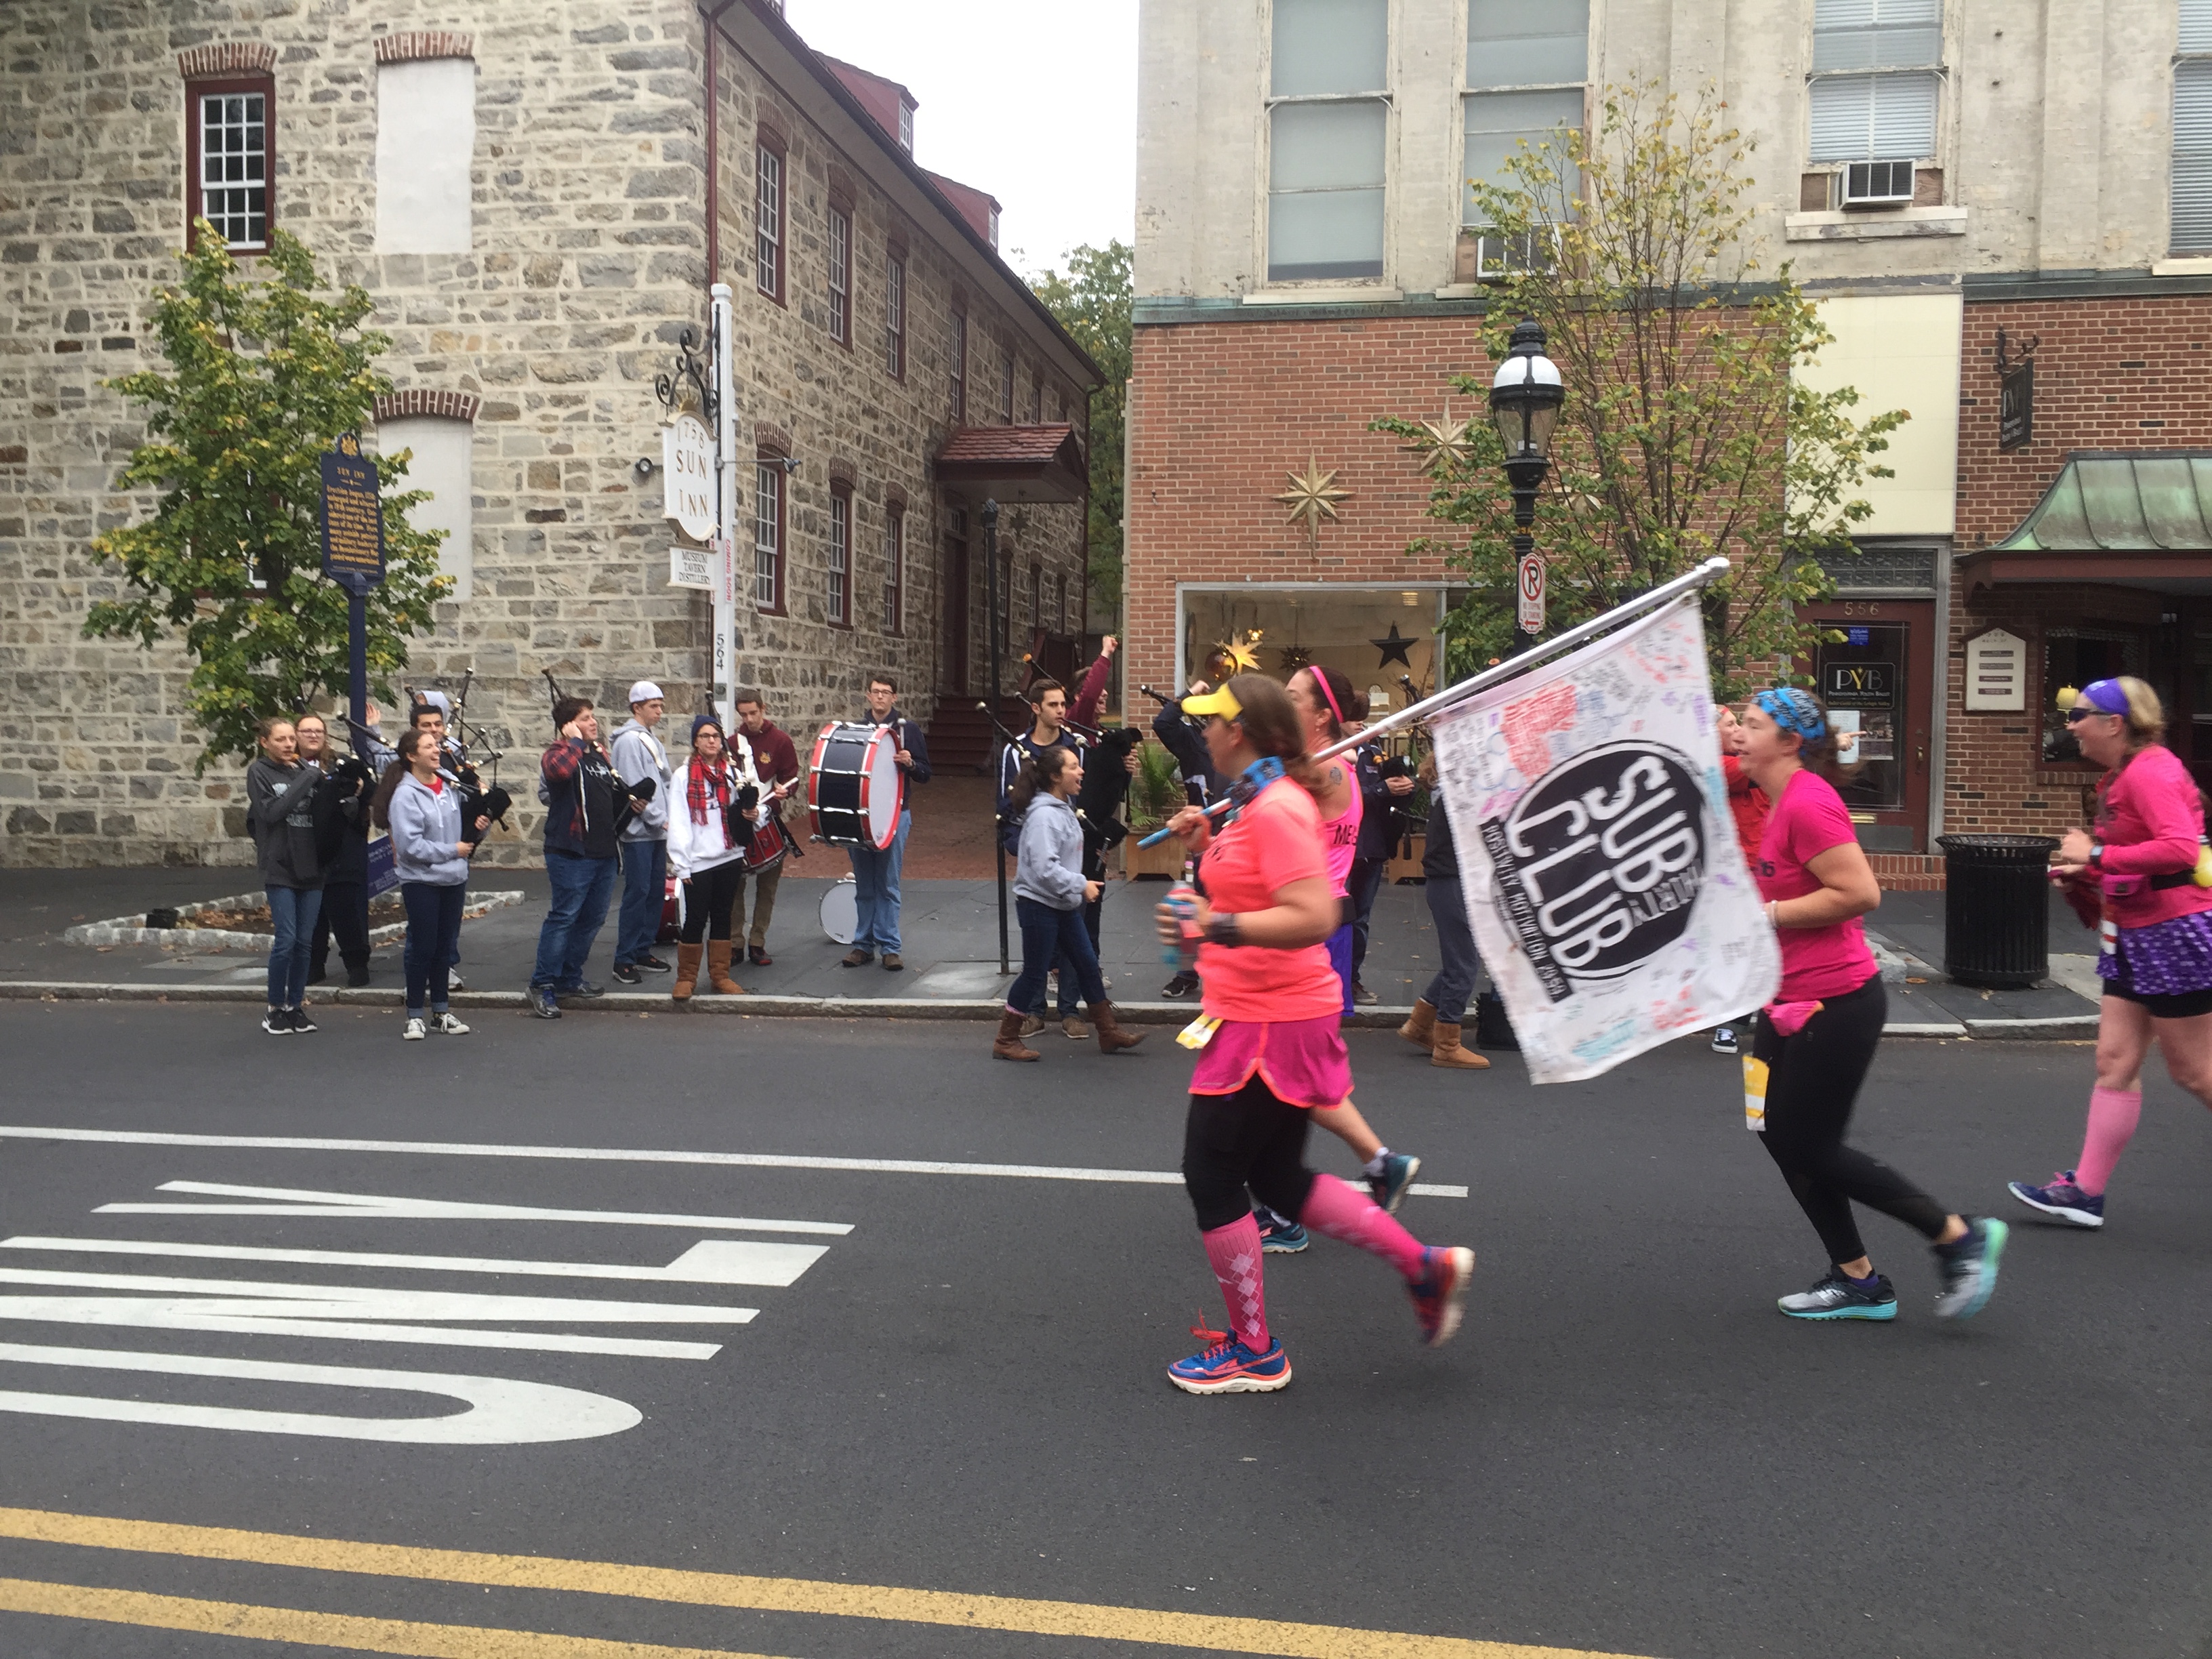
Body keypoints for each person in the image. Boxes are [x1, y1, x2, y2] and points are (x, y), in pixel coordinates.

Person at [1151, 674, 1475, 1394]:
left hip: (1268, 1021)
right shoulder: (1257, 800)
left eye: (1211, 721)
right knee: (1276, 1179)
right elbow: (1253, 887)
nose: (1202, 731)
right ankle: (1423, 1267)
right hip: (1264, 1011)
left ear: (1238, 732)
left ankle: (1254, 1350)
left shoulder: (1277, 808)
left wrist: (1214, 924)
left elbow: (1314, 914)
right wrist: (1205, 848)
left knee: (1212, 1175)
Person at [1740, 687, 2006, 1322]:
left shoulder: (1808, 802)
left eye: (1751, 725)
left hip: (1833, 1004)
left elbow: (1860, 893)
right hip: (1784, 1002)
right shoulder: (1777, 800)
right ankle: (1858, 1279)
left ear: (1789, 741)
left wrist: (1766, 915)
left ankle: (1957, 1237)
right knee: (1776, 1134)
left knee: (1811, 1146)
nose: (1739, 734)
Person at [2011, 676, 2212, 1230]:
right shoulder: (2127, 773)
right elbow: (2142, 858)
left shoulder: (2150, 771)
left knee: (2196, 1072)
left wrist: (2096, 854)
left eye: (2079, 715)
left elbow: (2179, 849)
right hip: (2135, 933)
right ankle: (2085, 1193)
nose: (2070, 725)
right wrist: (2088, 871)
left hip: (2172, 933)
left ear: (2115, 723)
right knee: (2115, 1062)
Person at [993, 745, 1146, 1061]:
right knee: (1035, 973)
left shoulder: (1063, 808)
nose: (1081, 771)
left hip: (1063, 904)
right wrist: (1080, 884)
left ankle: (1108, 1032)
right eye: (1073, 767)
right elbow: (1044, 868)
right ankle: (1005, 1040)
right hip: (1039, 905)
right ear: (1054, 776)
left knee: (1087, 965)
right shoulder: (1045, 816)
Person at [382, 726, 485, 1040]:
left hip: (454, 878)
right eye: (428, 746)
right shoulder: (405, 795)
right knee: (423, 947)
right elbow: (409, 848)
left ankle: (441, 1011)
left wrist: (480, 825)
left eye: (436, 745)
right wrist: (452, 851)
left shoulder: (450, 785)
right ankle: (415, 1014)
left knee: (444, 948)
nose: (436, 750)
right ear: (412, 756)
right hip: (421, 881)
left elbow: (466, 830)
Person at [527, 695, 625, 1019]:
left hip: (603, 851)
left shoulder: (598, 754)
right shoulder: (559, 753)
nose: (593, 722)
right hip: (571, 851)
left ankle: (570, 978)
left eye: (592, 716)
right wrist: (574, 742)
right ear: (568, 726)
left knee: (592, 918)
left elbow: (608, 793)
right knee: (564, 917)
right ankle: (542, 984)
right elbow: (558, 773)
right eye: (585, 718)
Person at [1396, 756, 1490, 1070]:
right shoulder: (1457, 795)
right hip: (1452, 882)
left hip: (1447, 882)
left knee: (1459, 960)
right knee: (1463, 964)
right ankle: (1447, 1043)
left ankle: (1420, 1024)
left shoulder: (1447, 794)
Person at [1153, 649, 1235, 1000]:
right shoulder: (1193, 744)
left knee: (1227, 907)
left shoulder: (1244, 756)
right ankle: (1186, 973)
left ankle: (1225, 970)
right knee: (1189, 905)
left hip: (1233, 841)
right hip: (1200, 842)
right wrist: (1188, 695)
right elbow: (1163, 724)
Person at [665, 713, 758, 1000]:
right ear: (696, 741)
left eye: (716, 736)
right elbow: (679, 820)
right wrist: (682, 864)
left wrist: (752, 813)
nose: (711, 741)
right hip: (699, 860)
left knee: (722, 916)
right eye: (705, 736)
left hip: (728, 856)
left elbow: (743, 811)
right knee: (695, 918)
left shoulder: (732, 774)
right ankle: (686, 978)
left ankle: (720, 975)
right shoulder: (683, 776)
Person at [843, 672, 930, 972]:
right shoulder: (857, 730)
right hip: (862, 815)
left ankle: (890, 948)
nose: (880, 696)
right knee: (864, 883)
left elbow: (925, 773)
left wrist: (911, 763)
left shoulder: (908, 730)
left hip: (896, 814)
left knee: (888, 884)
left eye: (886, 692)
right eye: (875, 691)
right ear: (868, 696)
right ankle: (863, 945)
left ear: (894, 697)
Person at [245, 716, 327, 1036]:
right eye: (280, 739)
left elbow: (323, 810)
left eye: (291, 738)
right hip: (280, 865)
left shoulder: (304, 770)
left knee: (305, 942)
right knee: (286, 940)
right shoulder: (260, 772)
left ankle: (296, 1006)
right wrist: (307, 778)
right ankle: (275, 1008)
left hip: (311, 865)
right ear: (265, 742)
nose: (289, 744)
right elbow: (271, 812)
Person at [298, 712, 374, 988]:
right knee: (312, 914)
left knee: (345, 911)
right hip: (306, 848)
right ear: (296, 735)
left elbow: (371, 790)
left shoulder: (341, 763)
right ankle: (314, 965)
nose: (313, 735)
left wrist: (359, 790)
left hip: (342, 850)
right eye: (307, 731)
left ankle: (357, 965)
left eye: (318, 731)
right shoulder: (289, 767)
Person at [1710, 702, 1769, 1057]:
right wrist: (1825, 743)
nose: (1737, 730)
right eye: (1730, 725)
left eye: (1740, 724)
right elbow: (1761, 765)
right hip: (1737, 876)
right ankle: (1731, 1023)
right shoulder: (1717, 766)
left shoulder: (1742, 762)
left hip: (1767, 870)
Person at [1345, 725, 1415, 1007]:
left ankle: (1352, 980)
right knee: (1334, 918)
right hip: (1342, 849)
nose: (1360, 723)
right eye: (1353, 716)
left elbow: (1386, 799)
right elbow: (1340, 796)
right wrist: (1380, 789)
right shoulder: (1332, 752)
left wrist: (1404, 789)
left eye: (1363, 716)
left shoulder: (1374, 751)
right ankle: (1329, 979)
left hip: (1372, 848)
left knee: (1360, 919)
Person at [609, 680, 674, 985]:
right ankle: (624, 957)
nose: (659, 711)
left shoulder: (649, 739)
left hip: (657, 831)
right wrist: (659, 818)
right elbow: (635, 791)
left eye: (660, 705)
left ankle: (642, 949)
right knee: (638, 892)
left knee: (655, 891)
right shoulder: (628, 742)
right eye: (653, 706)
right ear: (637, 708)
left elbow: (663, 781)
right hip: (640, 831)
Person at [733, 687, 802, 966]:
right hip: (739, 822)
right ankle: (735, 942)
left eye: (753, 713)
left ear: (763, 709)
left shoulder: (780, 741)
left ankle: (758, 942)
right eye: (743, 715)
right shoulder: (732, 743)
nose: (749, 719)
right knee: (734, 887)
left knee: (767, 888)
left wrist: (786, 791)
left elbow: (791, 777)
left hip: (768, 819)